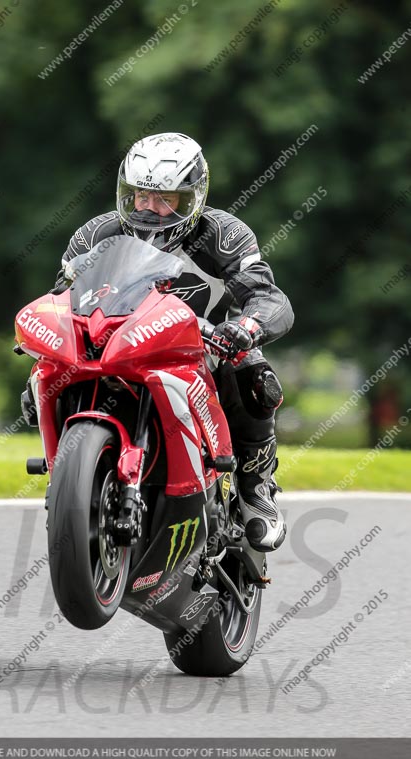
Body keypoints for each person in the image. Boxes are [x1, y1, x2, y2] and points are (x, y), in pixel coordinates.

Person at [25, 132, 294, 552]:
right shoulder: (95, 235)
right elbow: (62, 297)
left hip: (201, 350)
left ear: (194, 198)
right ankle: (70, 478)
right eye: (140, 196)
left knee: (254, 374)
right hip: (115, 346)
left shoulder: (223, 235)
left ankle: (255, 486)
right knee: (41, 376)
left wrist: (247, 326)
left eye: (167, 199)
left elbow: (268, 297)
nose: (151, 210)